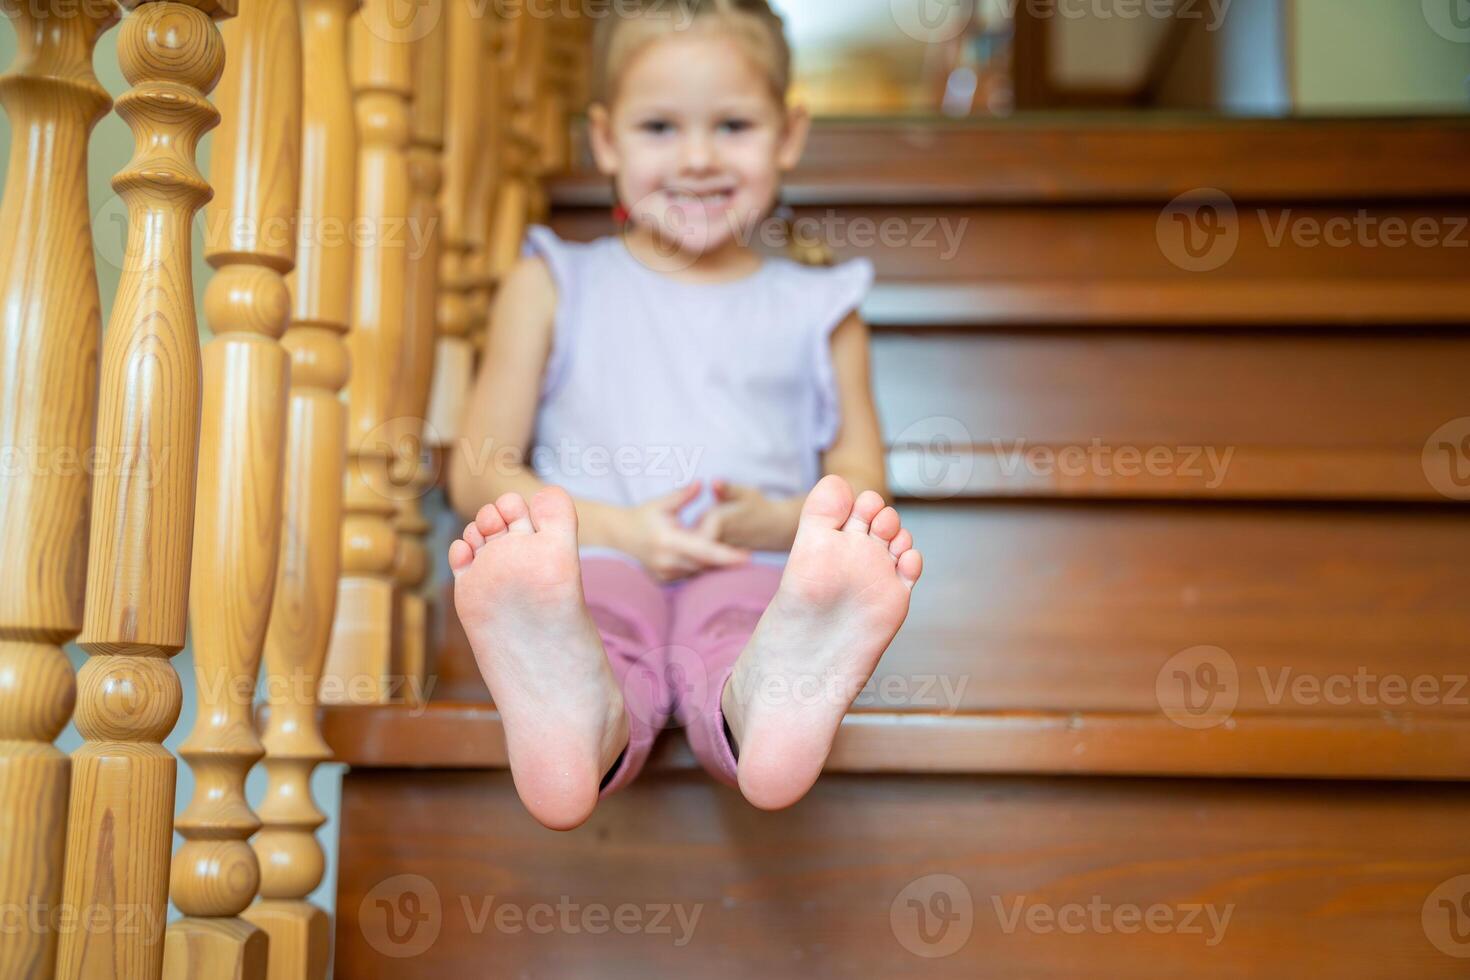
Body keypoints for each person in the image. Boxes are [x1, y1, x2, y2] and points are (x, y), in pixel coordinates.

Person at [447, 0, 922, 831]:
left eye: (733, 125)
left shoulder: (822, 304)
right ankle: (577, 702)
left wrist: (780, 520)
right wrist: (622, 529)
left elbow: (862, 477)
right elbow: (479, 469)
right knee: (597, 618)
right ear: (605, 141)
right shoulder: (553, 282)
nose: (698, 158)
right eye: (660, 127)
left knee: (740, 625)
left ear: (787, 135)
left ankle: (771, 691)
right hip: (592, 555)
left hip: (751, 561)